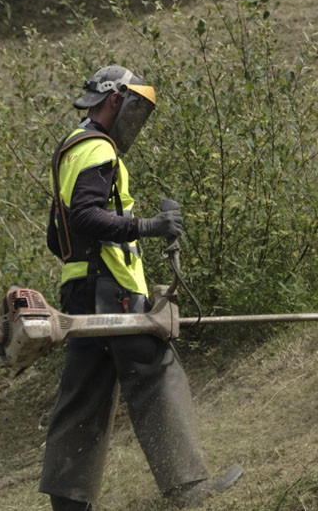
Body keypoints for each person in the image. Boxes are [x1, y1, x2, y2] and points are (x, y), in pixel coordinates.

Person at [40, 65, 242, 511]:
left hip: (80, 290)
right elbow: (85, 218)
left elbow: (58, 236)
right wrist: (148, 226)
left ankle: (69, 505)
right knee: (155, 371)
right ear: (116, 100)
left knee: (84, 395)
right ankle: (189, 488)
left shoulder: (71, 148)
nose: (135, 119)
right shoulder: (98, 151)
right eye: (134, 108)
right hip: (111, 288)